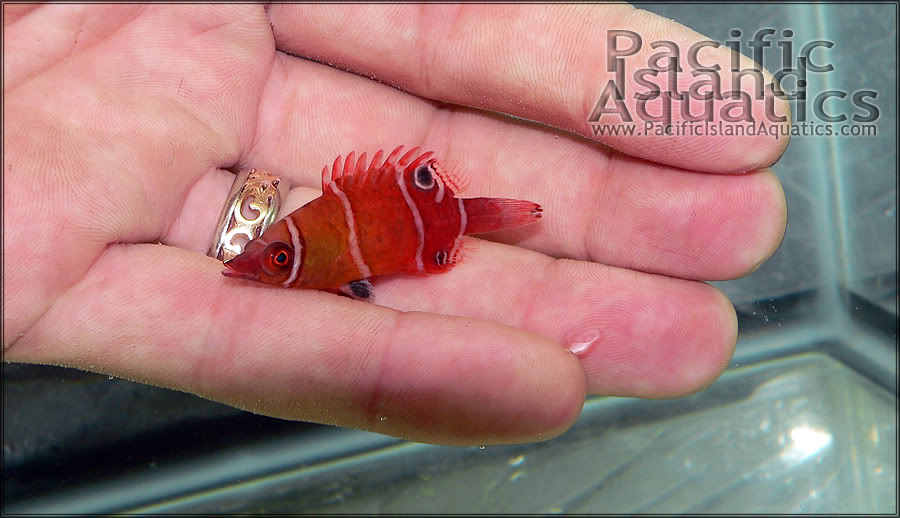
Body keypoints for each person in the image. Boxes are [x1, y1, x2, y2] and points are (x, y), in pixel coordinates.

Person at [3, 4, 788, 446]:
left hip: (409, 231)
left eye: (273, 261)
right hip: (400, 231)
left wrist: (400, 243)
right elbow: (341, 260)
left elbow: (353, 257)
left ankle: (501, 218)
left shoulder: (311, 239)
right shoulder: (306, 241)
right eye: (273, 261)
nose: (265, 266)